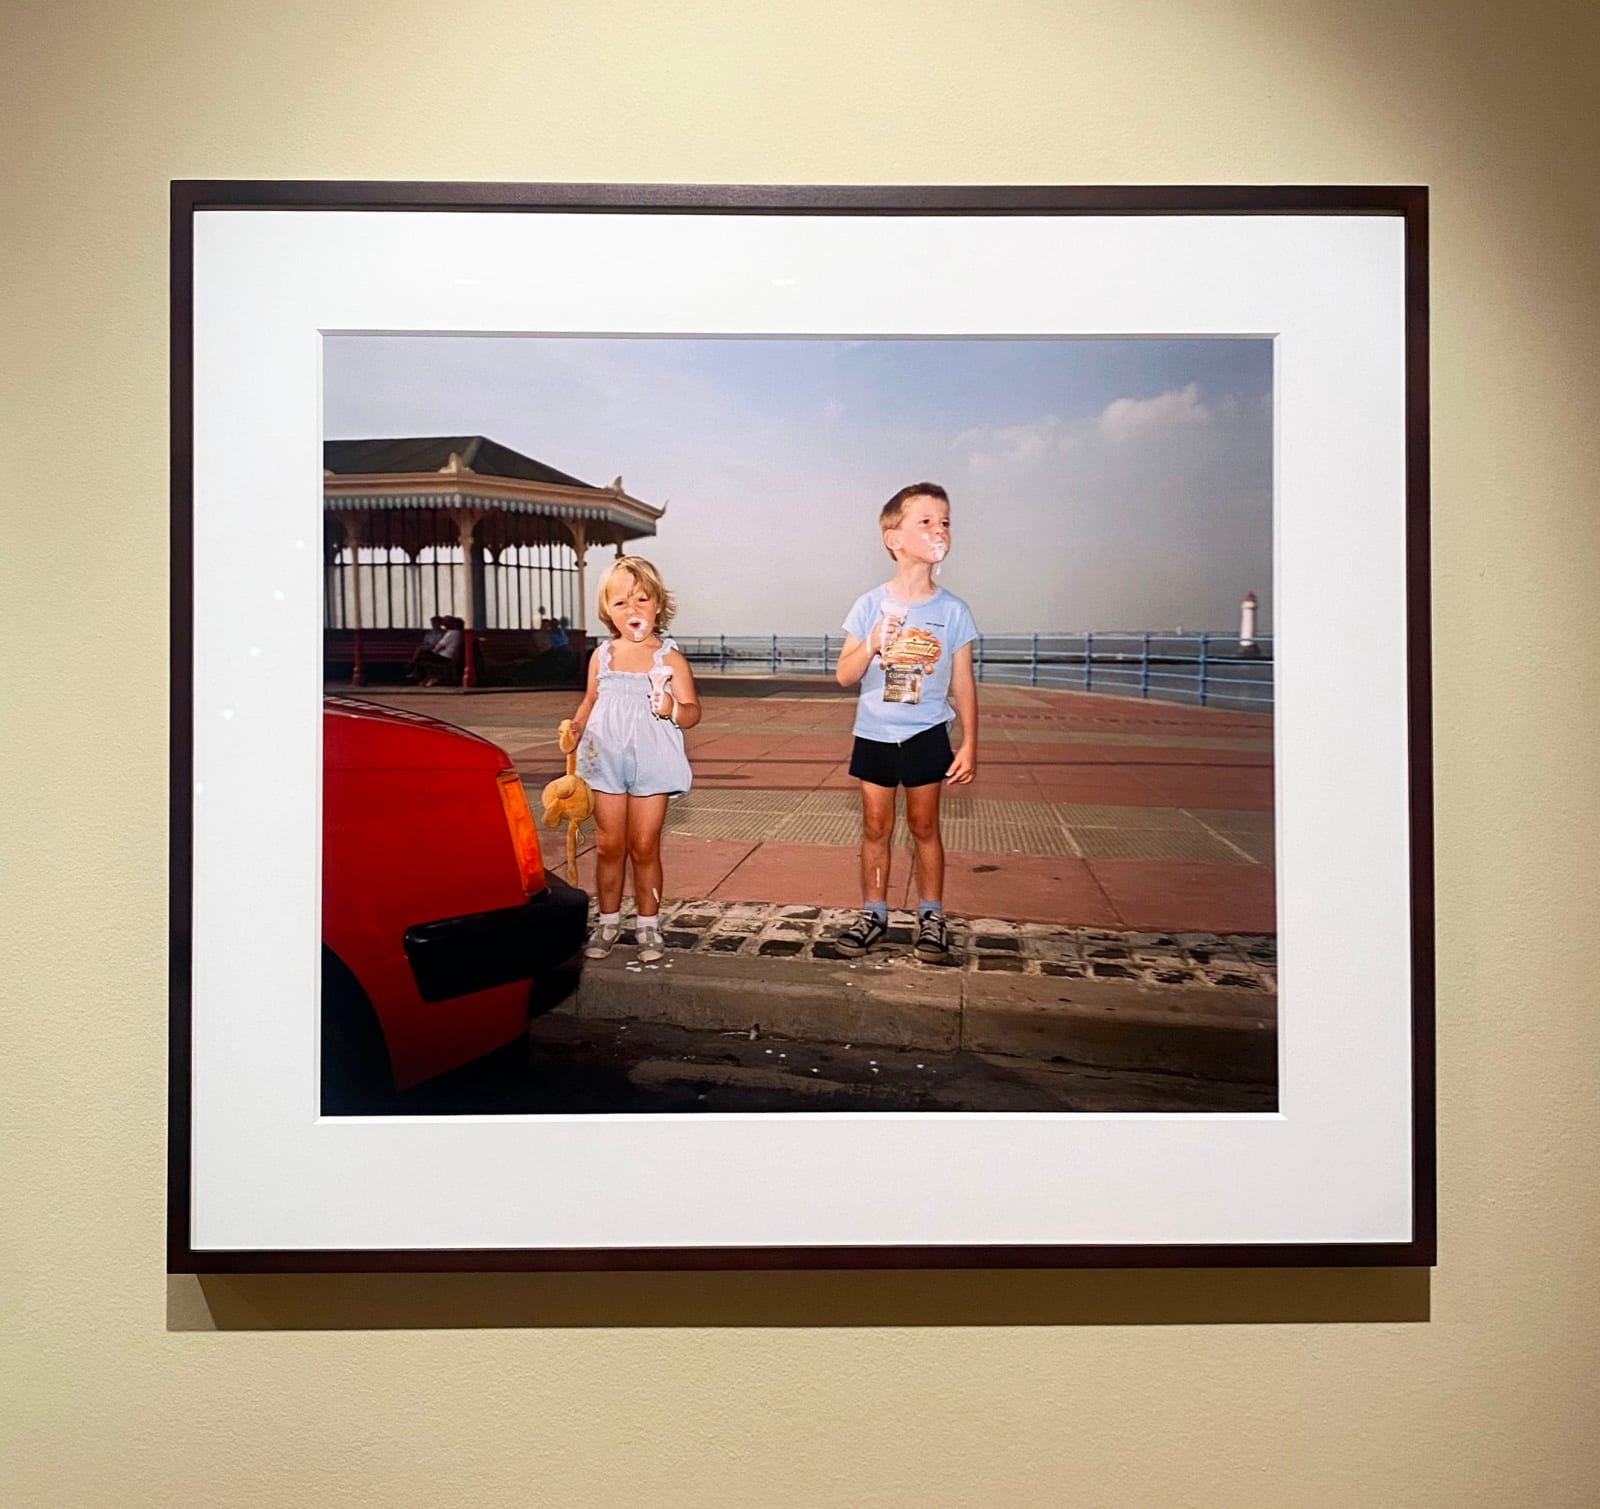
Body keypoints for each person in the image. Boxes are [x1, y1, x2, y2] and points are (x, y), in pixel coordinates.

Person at [833, 482, 978, 962]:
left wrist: (970, 743)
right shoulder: (868, 605)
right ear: (893, 539)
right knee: (876, 826)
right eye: (927, 521)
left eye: (945, 522)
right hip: (874, 732)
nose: (940, 530)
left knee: (924, 825)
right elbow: (844, 675)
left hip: (926, 732)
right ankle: (873, 913)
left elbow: (963, 682)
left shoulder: (952, 610)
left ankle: (931, 915)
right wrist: (872, 642)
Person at [569, 556, 699, 962]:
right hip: (605, 759)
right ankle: (607, 921)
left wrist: (672, 707)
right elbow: (590, 701)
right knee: (609, 846)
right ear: (607, 610)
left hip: (653, 761)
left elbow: (693, 712)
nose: (633, 610)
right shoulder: (602, 656)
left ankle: (648, 924)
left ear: (658, 604)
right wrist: (575, 728)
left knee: (644, 846)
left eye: (642, 599)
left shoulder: (670, 659)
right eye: (621, 602)